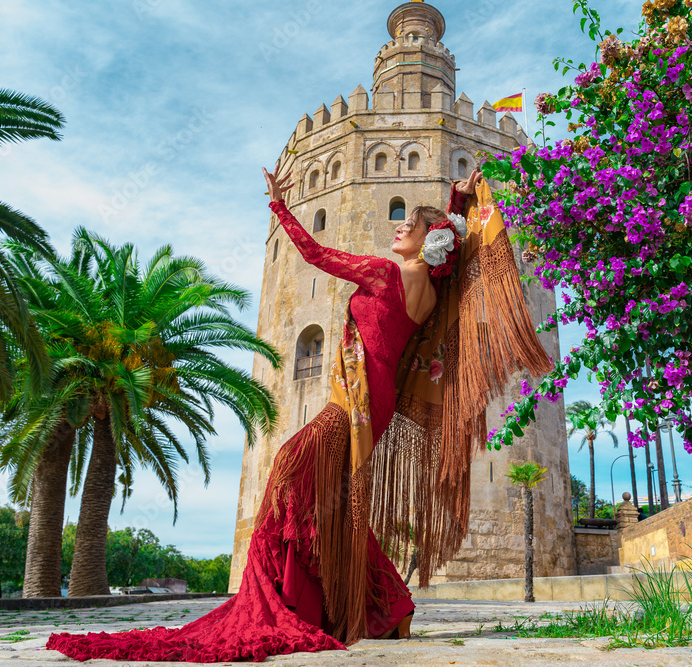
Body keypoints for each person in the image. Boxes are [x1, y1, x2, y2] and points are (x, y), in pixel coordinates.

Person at [46, 164, 552, 663]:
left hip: (349, 405)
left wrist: (279, 207)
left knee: (289, 469)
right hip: (372, 405)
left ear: (427, 239)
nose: (398, 227)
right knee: (323, 502)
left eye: (409, 226)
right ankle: (387, 604)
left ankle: (306, 601)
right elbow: (452, 246)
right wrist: (455, 203)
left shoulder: (382, 274)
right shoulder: (433, 295)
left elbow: (317, 253)